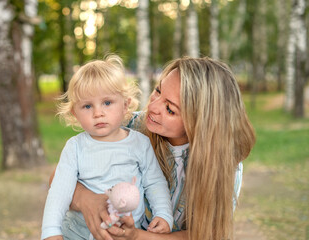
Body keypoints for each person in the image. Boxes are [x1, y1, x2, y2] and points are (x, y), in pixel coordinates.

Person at [65, 56, 256, 240]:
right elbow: (57, 177)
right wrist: (85, 200)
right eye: (158, 91)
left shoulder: (224, 165)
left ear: (201, 123)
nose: (153, 107)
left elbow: (206, 234)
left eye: (170, 109)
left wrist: (137, 237)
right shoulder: (131, 126)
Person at [41, 55, 173, 240]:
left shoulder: (140, 143)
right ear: (75, 113)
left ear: (125, 105)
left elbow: (155, 183)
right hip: (78, 233)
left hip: (126, 233)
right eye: (87, 106)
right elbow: (59, 192)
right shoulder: (75, 148)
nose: (98, 113)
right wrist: (51, 232)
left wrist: (163, 215)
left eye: (107, 103)